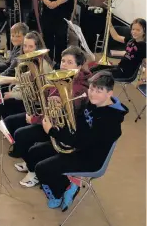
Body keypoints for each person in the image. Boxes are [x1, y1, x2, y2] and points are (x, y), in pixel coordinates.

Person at [24, 71, 127, 211]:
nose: (92, 94)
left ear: (109, 93)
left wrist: (52, 131)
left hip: (90, 159)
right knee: (34, 152)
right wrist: (61, 112)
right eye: (91, 89)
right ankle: (67, 182)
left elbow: (82, 142)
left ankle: (59, 193)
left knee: (41, 168)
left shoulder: (111, 121)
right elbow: (77, 125)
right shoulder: (94, 104)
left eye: (99, 91)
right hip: (78, 146)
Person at [8, 46, 91, 188]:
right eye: (63, 61)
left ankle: (34, 172)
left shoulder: (80, 89)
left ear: (79, 66)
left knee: (21, 134)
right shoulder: (59, 77)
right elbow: (47, 102)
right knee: (16, 128)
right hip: (50, 122)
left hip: (62, 129)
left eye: (70, 62)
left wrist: (35, 119)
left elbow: (58, 115)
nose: (64, 65)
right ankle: (30, 163)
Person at [0, 31, 53, 117]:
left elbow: (36, 93)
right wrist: (13, 91)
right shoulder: (25, 61)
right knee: (2, 94)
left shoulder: (42, 64)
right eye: (25, 46)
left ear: (37, 48)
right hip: (26, 96)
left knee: (7, 103)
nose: (27, 50)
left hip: (37, 102)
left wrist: (12, 95)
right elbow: (22, 84)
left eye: (31, 46)